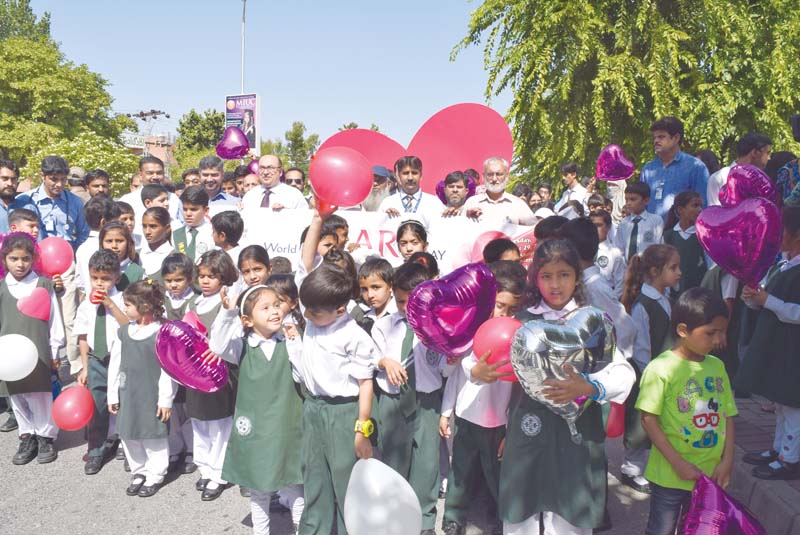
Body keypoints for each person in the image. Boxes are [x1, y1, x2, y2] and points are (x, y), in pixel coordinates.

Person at [494, 239, 634, 535]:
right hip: (528, 430)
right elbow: (490, 366)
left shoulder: (591, 322)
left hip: (577, 434)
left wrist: (589, 386)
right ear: (535, 278)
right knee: (522, 509)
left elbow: (622, 372)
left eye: (564, 275)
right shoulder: (521, 321)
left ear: (577, 277)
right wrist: (479, 371)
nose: (555, 285)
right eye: (546, 276)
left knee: (571, 513)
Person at [637, 288, 736, 534]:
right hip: (669, 476)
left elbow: (728, 415)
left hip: (709, 474)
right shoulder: (661, 369)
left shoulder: (717, 366)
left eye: (722, 331)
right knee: (662, 529)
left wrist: (728, 460)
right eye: (711, 333)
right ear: (683, 330)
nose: (717, 340)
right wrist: (678, 463)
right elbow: (648, 420)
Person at [439, 260, 525, 535]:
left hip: (498, 421)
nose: (505, 313)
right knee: (460, 471)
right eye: (500, 305)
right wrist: (445, 410)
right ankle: (453, 516)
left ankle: (503, 517)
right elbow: (456, 375)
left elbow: (518, 389)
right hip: (466, 416)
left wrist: (511, 427)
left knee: (497, 474)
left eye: (512, 309)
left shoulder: (518, 338)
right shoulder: (472, 330)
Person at [211, 285, 305, 535]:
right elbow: (217, 346)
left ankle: (300, 529)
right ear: (247, 320)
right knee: (259, 488)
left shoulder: (289, 341)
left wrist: (295, 342)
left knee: (295, 482)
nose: (274, 311)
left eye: (277, 305)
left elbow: (303, 374)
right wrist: (227, 313)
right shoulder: (241, 347)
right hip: (257, 430)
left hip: (288, 425)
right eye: (265, 308)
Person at [292, 264, 377, 533]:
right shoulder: (317, 316)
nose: (306, 315)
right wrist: (317, 220)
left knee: (346, 482)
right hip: (314, 407)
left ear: (340, 310)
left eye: (313, 312)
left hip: (343, 412)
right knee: (314, 476)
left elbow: (366, 384)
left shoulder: (354, 337)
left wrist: (361, 430)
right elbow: (305, 262)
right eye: (306, 308)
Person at [372, 262, 443, 533]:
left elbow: (446, 369)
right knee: (394, 462)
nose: (407, 308)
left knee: (427, 466)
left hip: (427, 402)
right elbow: (370, 357)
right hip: (393, 402)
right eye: (401, 301)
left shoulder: (437, 326)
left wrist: (450, 353)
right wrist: (384, 361)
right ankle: (396, 519)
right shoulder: (383, 326)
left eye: (414, 301)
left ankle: (425, 521)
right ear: (393, 295)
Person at [736, 205, 800, 480]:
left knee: (794, 405)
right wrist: (754, 298)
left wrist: (768, 301)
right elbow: (770, 303)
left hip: (794, 350)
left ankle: (791, 458)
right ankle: (779, 450)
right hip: (780, 346)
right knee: (781, 403)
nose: (775, 235)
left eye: (780, 230)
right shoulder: (783, 264)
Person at [11, 155, 89, 376]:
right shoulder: (26, 201)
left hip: (65, 268)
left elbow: (82, 233)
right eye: (53, 179)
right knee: (36, 317)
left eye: (63, 179)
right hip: (33, 268)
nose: (59, 184)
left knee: (69, 318)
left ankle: (75, 368)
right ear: (42, 176)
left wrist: (69, 256)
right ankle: (37, 364)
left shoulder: (74, 202)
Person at [620, 244, 682, 493]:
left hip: (663, 372)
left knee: (656, 419)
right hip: (648, 374)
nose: (679, 272)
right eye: (673, 268)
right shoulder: (643, 304)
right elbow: (641, 347)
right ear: (655, 270)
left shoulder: (664, 298)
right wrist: (653, 374)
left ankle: (646, 465)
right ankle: (630, 469)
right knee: (640, 423)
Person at [108, 280, 177, 497]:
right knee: (129, 433)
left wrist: (165, 400)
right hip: (129, 393)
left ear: (145, 307)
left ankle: (155, 474)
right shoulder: (125, 332)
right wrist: (112, 394)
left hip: (151, 394)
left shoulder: (160, 333)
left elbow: (168, 370)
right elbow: (115, 365)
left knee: (153, 434)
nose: (125, 309)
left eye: (128, 305)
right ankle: (139, 470)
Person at [1, 233, 65, 464]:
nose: (20, 264)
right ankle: (26, 434)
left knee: (41, 395)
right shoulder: (1, 288)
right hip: (9, 356)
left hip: (38, 351)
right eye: (14, 258)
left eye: (26, 259)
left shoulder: (43, 284)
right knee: (17, 396)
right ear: (4, 259)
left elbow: (54, 320)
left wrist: (55, 350)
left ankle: (45, 436)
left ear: (33, 259)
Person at [185, 250, 239, 500]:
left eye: (212, 276)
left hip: (218, 374)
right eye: (202, 276)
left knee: (219, 425)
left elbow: (230, 338)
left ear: (224, 277)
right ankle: (205, 467)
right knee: (199, 421)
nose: (205, 281)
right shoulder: (193, 303)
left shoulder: (227, 303)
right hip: (194, 374)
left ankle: (219, 473)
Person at [74, 250, 129, 475]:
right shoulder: (86, 304)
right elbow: (83, 336)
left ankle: (127, 445)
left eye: (105, 279)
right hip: (97, 360)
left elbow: (128, 326)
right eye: (95, 278)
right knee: (96, 406)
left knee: (124, 403)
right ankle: (96, 450)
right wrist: (85, 366)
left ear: (116, 278)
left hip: (121, 359)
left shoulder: (123, 299)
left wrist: (111, 306)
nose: (100, 283)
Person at [640, 117, 709, 219]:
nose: (656, 141)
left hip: (682, 233)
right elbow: (641, 205)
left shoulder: (695, 167)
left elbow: (703, 206)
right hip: (650, 233)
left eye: (661, 137)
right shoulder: (648, 169)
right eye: (654, 137)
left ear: (676, 138)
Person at [118, 156, 182, 240]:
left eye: (159, 173)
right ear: (140, 175)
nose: (155, 177)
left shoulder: (174, 199)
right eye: (150, 173)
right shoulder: (128, 200)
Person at [707, 132, 772, 206]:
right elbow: (714, 213)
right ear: (754, 152)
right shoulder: (720, 178)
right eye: (767, 153)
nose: (769, 158)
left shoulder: (763, 181)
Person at [463, 158, 534, 225]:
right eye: (490, 174)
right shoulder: (472, 202)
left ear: (507, 176)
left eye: (499, 174)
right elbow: (461, 229)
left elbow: (533, 230)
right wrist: (468, 218)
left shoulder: (518, 204)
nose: (494, 179)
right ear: (483, 177)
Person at [378, 156, 443, 229]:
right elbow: (378, 231)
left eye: (414, 173)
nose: (410, 178)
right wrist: (385, 218)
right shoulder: (388, 203)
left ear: (421, 176)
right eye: (405, 173)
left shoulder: (434, 203)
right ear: (399, 176)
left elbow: (440, 231)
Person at [663, 191, 706, 296]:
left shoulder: (704, 236)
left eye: (701, 206)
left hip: (699, 294)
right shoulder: (668, 236)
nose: (700, 210)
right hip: (674, 294)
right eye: (695, 206)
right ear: (680, 210)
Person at [76, 196, 120, 295]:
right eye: (116, 222)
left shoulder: (82, 249)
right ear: (103, 222)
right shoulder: (108, 247)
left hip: (89, 303)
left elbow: (80, 282)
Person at [614, 182, 664, 263]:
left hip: (648, 268)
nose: (628, 203)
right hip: (628, 268)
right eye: (626, 199)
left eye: (633, 199)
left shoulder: (656, 220)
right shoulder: (624, 223)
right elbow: (619, 249)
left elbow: (659, 247)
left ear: (646, 200)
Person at [241, 155, 308, 212]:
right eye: (262, 168)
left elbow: (305, 222)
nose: (265, 172)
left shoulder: (294, 195)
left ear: (280, 172)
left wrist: (286, 214)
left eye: (271, 168)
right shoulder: (250, 195)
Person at [589, 210, 626, 298]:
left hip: (607, 299)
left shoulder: (614, 253)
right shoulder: (583, 250)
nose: (594, 229)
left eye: (599, 225)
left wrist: (610, 302)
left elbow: (620, 284)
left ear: (608, 227)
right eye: (591, 226)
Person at [99, 222, 143, 292]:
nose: (114, 246)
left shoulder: (137, 273)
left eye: (119, 241)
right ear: (101, 243)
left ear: (128, 243)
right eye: (109, 241)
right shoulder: (96, 268)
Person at [173, 186, 213, 262]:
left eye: (193, 209)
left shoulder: (212, 233)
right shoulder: (175, 234)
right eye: (185, 209)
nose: (188, 214)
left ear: (206, 210)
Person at [139, 207, 174, 280]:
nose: (147, 232)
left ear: (167, 228)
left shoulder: (176, 258)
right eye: (144, 226)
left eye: (153, 226)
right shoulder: (134, 255)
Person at [357, 257, 395, 322]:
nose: (369, 295)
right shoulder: (363, 319)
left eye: (375, 287)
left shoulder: (403, 316)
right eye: (364, 289)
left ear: (391, 286)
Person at [0, 159, 19, 234]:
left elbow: (36, 242)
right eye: (5, 179)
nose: (10, 183)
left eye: (13, 179)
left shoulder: (28, 208)